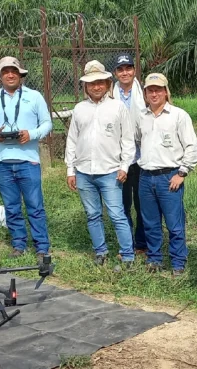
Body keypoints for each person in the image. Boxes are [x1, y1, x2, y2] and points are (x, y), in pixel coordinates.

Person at [0, 57, 53, 261]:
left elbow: (47, 123)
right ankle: (18, 243)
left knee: (35, 205)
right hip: (2, 161)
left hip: (28, 159)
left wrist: (32, 134)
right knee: (11, 207)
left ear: (20, 74)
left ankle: (42, 246)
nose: (10, 75)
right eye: (5, 72)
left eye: (14, 71)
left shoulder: (34, 96)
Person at [64, 60, 136, 266]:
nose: (96, 87)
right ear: (85, 86)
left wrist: (124, 166)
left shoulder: (117, 107)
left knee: (117, 214)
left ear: (107, 84)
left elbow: (127, 140)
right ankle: (100, 252)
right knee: (93, 214)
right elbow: (72, 140)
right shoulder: (79, 109)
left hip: (110, 171)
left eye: (100, 82)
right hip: (84, 172)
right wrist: (71, 170)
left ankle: (128, 256)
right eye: (91, 83)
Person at [136, 73, 197, 276]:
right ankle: (154, 259)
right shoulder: (141, 117)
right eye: (150, 90)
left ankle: (178, 262)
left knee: (174, 223)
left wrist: (182, 172)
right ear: (145, 93)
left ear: (166, 91)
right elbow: (136, 141)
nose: (154, 94)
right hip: (145, 177)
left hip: (169, 176)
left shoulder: (178, 116)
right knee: (150, 223)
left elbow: (192, 146)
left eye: (158, 90)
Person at [108, 54, 147, 255]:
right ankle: (127, 243)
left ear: (134, 70)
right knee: (122, 204)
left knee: (142, 203)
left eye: (128, 68)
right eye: (121, 69)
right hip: (120, 158)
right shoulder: (110, 95)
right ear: (116, 73)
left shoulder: (145, 93)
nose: (125, 73)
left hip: (141, 157)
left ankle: (141, 244)